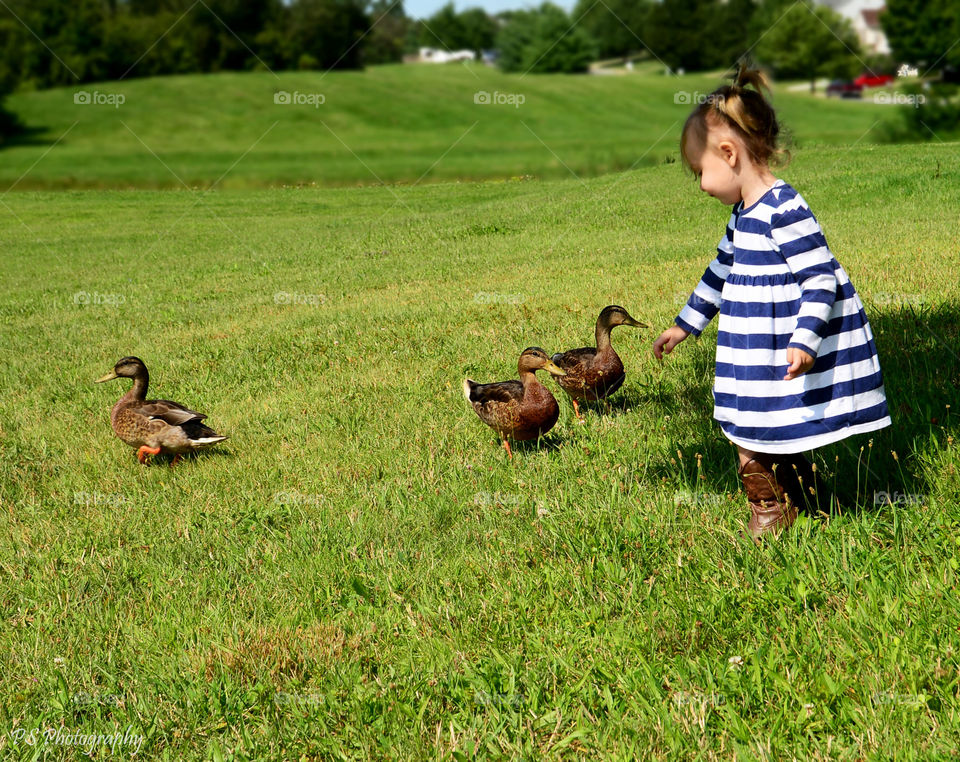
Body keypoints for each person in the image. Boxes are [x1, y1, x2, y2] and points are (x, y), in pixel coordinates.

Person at [653, 64, 891, 539]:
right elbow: (719, 273)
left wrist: (806, 340)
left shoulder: (785, 209)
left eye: (701, 171)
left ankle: (770, 507)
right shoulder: (743, 215)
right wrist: (685, 325)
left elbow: (821, 278)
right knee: (755, 424)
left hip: (780, 346)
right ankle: (798, 495)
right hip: (750, 348)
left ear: (729, 152)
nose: (700, 184)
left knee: (752, 430)